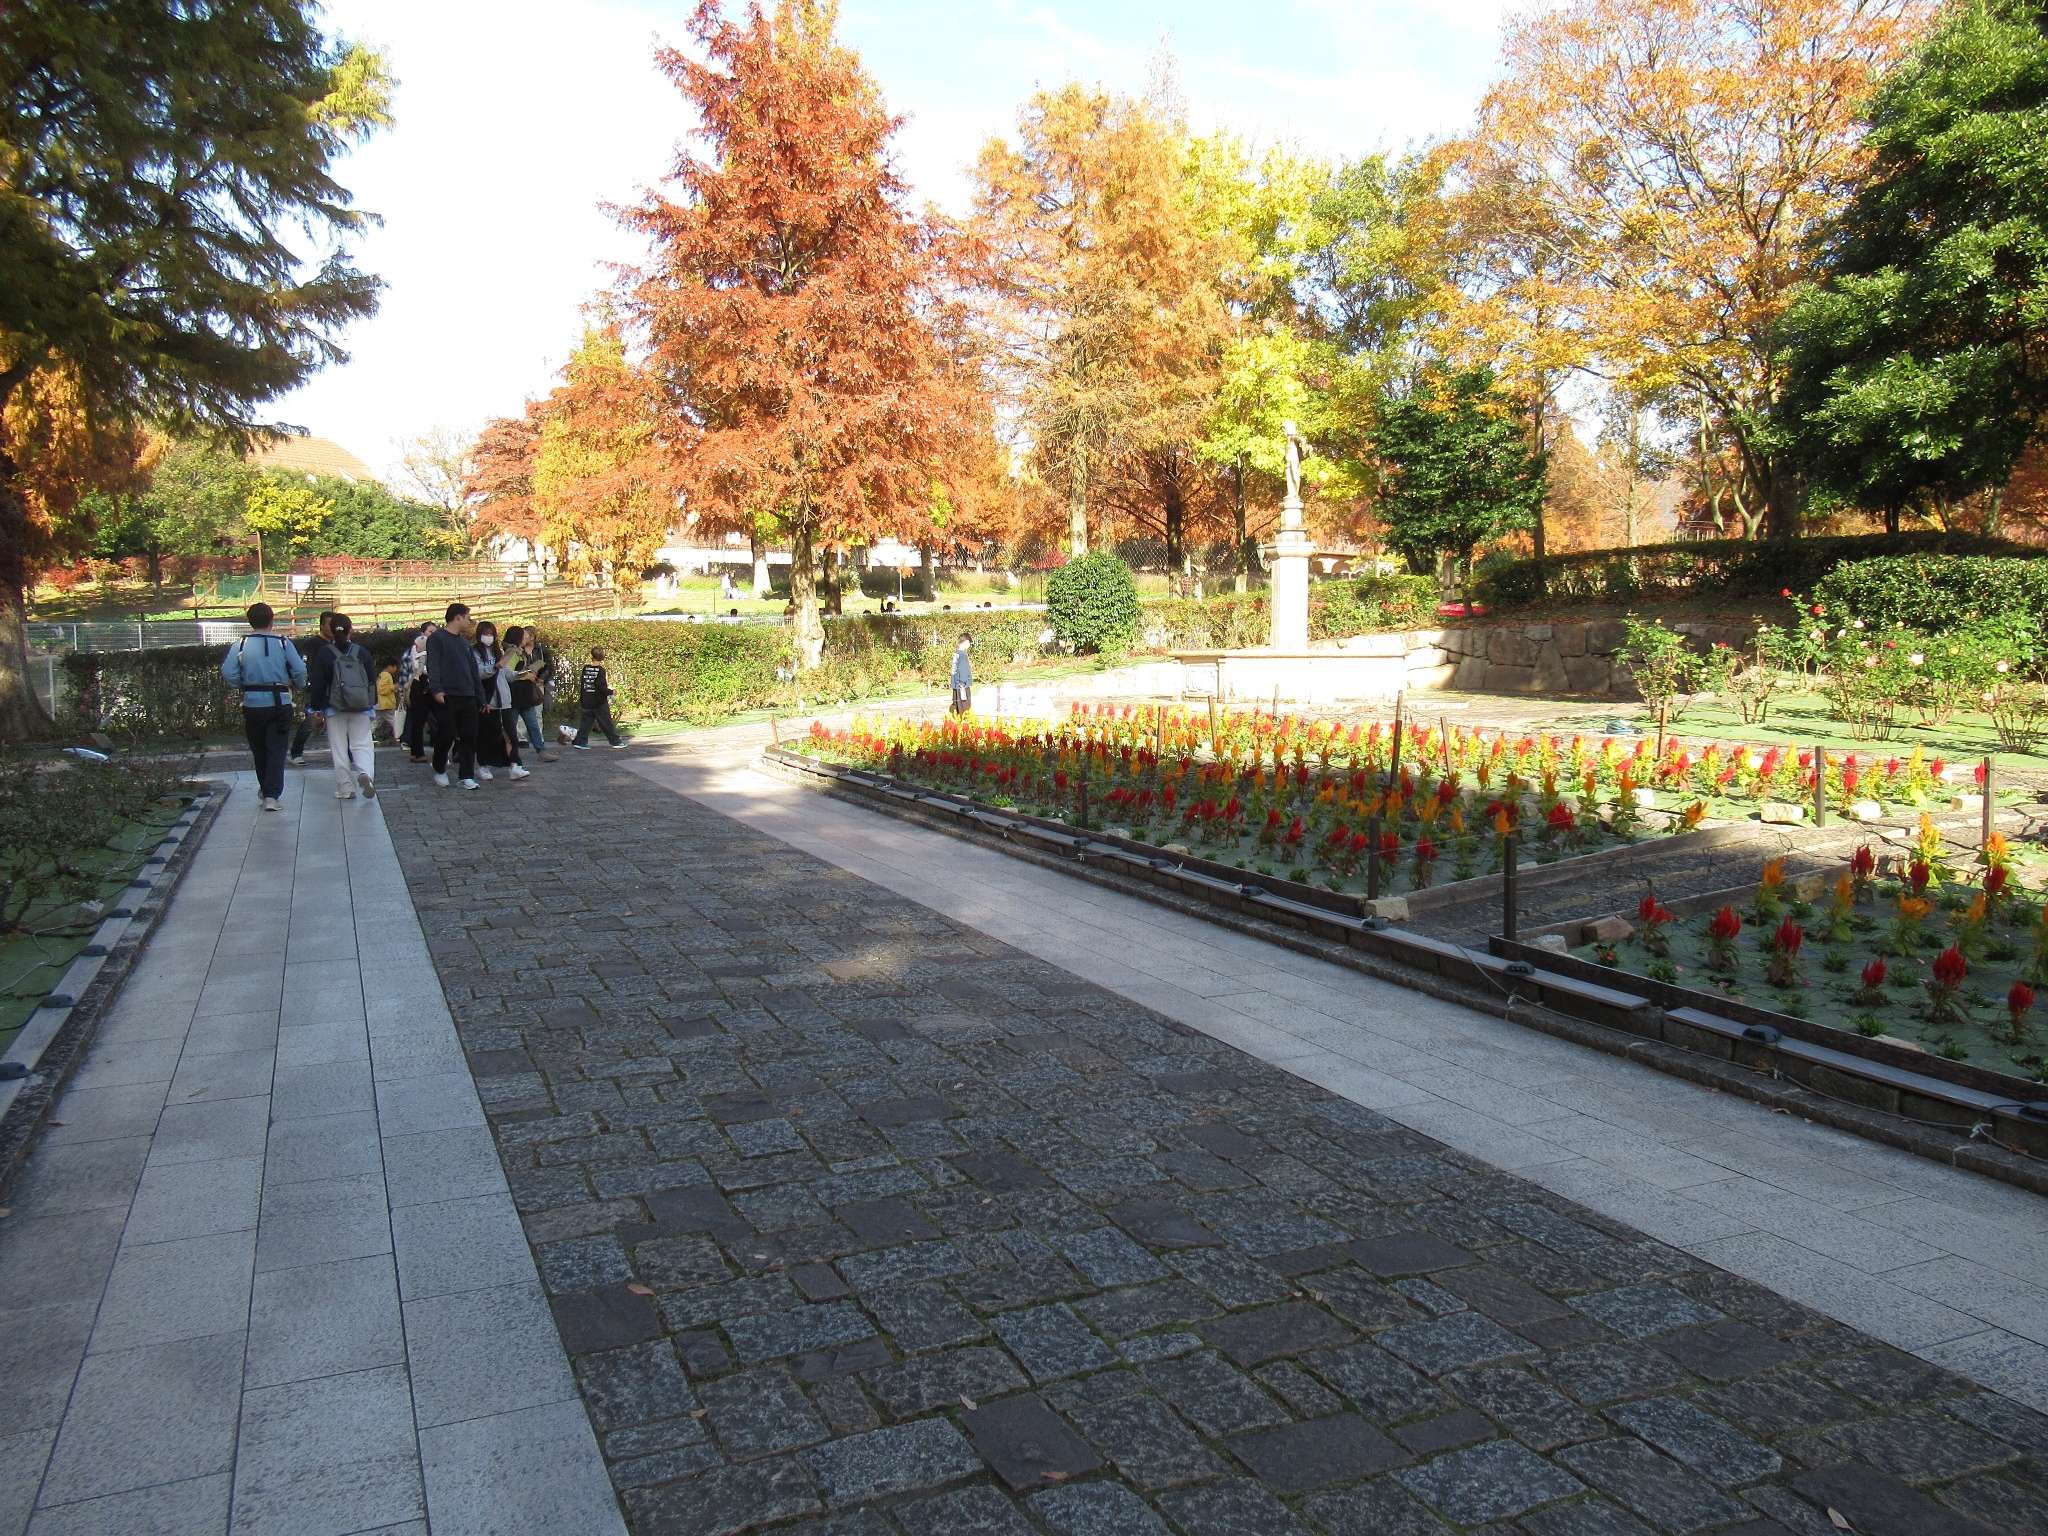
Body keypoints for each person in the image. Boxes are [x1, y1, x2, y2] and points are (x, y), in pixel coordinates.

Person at [221, 602, 306, 812]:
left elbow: (227, 672)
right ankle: (272, 795)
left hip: (252, 702)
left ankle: (265, 788)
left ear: (250, 621)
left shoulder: (240, 644)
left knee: (259, 749)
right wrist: (299, 684)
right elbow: (300, 669)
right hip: (280, 702)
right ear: (272, 619)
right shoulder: (283, 643)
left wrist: (243, 684)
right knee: (277, 749)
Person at [308, 613, 379, 800]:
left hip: (334, 708)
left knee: (339, 748)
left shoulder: (325, 653)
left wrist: (316, 708)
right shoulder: (362, 652)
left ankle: (346, 788)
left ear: (330, 631)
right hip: (361, 706)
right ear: (351, 630)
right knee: (362, 744)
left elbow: (318, 683)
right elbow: (372, 680)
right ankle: (365, 773)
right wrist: (372, 704)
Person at [427, 602, 482, 789]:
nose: (469, 621)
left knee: (470, 736)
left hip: (468, 695)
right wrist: (436, 689)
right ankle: (440, 768)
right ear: (457, 617)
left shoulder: (464, 642)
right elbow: (433, 665)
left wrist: (480, 697)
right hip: (447, 695)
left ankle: (466, 775)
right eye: (467, 617)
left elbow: (473, 672)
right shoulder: (437, 639)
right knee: (447, 734)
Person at [472, 620, 530, 781]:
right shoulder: (475, 652)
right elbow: (480, 673)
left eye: (491, 634)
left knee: (511, 735)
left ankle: (514, 765)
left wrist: (521, 674)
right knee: (487, 736)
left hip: (504, 700)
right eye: (486, 634)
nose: (489, 637)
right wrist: (496, 666)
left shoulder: (499, 651)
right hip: (487, 700)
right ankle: (483, 765)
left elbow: (506, 674)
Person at [287, 611, 337, 765]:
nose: (333, 628)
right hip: (316, 688)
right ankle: (295, 753)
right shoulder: (313, 644)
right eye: (330, 624)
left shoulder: (337, 643)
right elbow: (308, 667)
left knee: (337, 722)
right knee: (310, 721)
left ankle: (344, 753)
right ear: (321, 625)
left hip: (334, 689)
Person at [503, 626, 556, 761]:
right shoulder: (512, 652)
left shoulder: (518, 652)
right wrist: (527, 674)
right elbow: (509, 674)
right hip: (515, 696)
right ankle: (507, 755)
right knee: (511, 728)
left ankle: (541, 751)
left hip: (523, 696)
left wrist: (531, 670)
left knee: (532, 725)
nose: (527, 638)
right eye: (524, 635)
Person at [573, 648, 624, 748]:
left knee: (586, 723)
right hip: (598, 702)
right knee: (606, 722)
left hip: (587, 700)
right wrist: (611, 692)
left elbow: (584, 684)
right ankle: (616, 742)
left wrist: (582, 698)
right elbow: (600, 687)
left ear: (592, 656)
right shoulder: (600, 670)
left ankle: (580, 742)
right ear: (602, 657)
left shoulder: (586, 668)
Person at [400, 621, 436, 761]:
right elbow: (411, 670)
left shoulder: (434, 649)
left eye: (435, 632)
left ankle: (422, 751)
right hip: (417, 686)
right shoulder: (414, 650)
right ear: (423, 633)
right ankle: (417, 752)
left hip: (430, 685)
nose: (433, 635)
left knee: (431, 719)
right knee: (418, 721)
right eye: (430, 632)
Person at [376, 660, 401, 742]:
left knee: (376, 721)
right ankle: (398, 736)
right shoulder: (386, 675)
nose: (396, 669)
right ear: (389, 666)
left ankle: (366, 735)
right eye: (395, 667)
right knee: (394, 721)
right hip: (386, 704)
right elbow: (381, 689)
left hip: (381, 704)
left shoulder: (381, 675)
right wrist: (393, 687)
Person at [950, 634, 972, 715]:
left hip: (956, 685)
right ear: (966, 642)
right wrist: (963, 683)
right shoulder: (962, 655)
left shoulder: (956, 654)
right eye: (969, 643)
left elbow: (953, 670)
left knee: (957, 708)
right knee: (965, 709)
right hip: (962, 686)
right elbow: (963, 670)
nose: (969, 645)